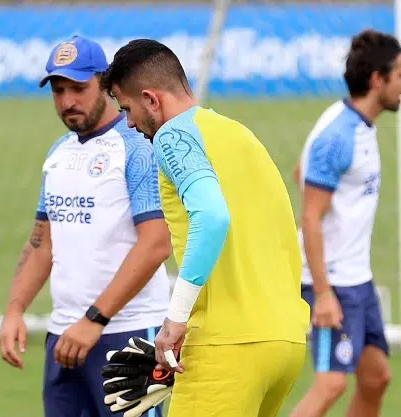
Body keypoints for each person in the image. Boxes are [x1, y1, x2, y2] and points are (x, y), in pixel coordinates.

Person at [99, 38, 310, 417]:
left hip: (227, 345)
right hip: (286, 343)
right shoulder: (240, 135)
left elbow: (212, 217)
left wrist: (175, 321)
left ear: (151, 99)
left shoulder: (173, 136)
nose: (129, 122)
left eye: (126, 108)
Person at [0, 35, 173, 417]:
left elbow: (157, 243)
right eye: (59, 90)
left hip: (127, 334)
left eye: (78, 88)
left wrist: (95, 319)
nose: (67, 101)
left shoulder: (137, 147)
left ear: (106, 86)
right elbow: (43, 243)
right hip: (64, 338)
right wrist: (15, 310)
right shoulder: (58, 153)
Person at [289, 29, 399, 417]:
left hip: (358, 279)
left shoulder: (350, 123)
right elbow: (311, 217)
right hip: (333, 282)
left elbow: (301, 170)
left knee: (376, 378)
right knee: (331, 384)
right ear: (377, 79)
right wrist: (322, 293)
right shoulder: (339, 135)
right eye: (399, 74)